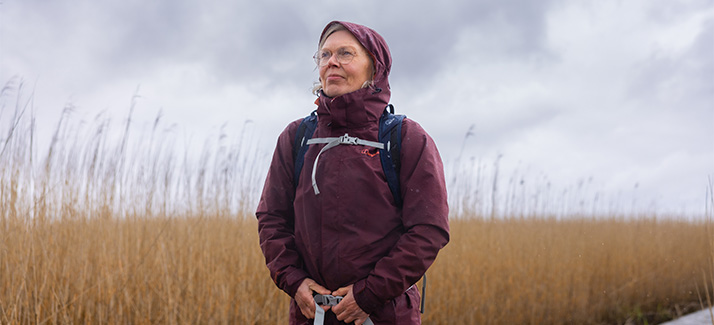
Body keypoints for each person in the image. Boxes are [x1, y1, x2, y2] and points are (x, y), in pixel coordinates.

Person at [256, 21, 450, 325]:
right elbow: (272, 219)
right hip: (312, 315)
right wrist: (294, 281)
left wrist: (368, 295)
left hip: (385, 315)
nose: (331, 61)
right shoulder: (297, 138)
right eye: (324, 55)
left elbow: (428, 229)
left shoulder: (404, 138)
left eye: (346, 53)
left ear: (375, 68)